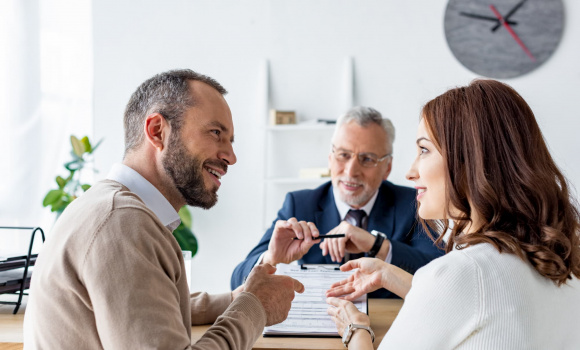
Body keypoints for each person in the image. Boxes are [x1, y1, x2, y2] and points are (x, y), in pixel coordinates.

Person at [23, 69, 305, 350]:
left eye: (230, 141)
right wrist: (253, 306)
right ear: (158, 131)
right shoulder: (122, 222)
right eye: (216, 133)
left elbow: (149, 301)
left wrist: (235, 299)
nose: (230, 156)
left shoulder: (108, 208)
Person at [326, 79, 580, 349]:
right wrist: (390, 276)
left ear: (469, 161)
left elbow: (464, 291)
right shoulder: (562, 263)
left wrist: (355, 329)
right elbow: (470, 305)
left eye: (424, 150)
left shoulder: (463, 273)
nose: (410, 172)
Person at [231, 106, 444, 298]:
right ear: (330, 158)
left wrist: (376, 245)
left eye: (367, 159)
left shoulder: (411, 203)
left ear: (387, 168)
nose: (351, 171)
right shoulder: (300, 204)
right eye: (343, 155)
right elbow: (236, 280)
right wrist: (271, 258)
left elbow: (441, 276)